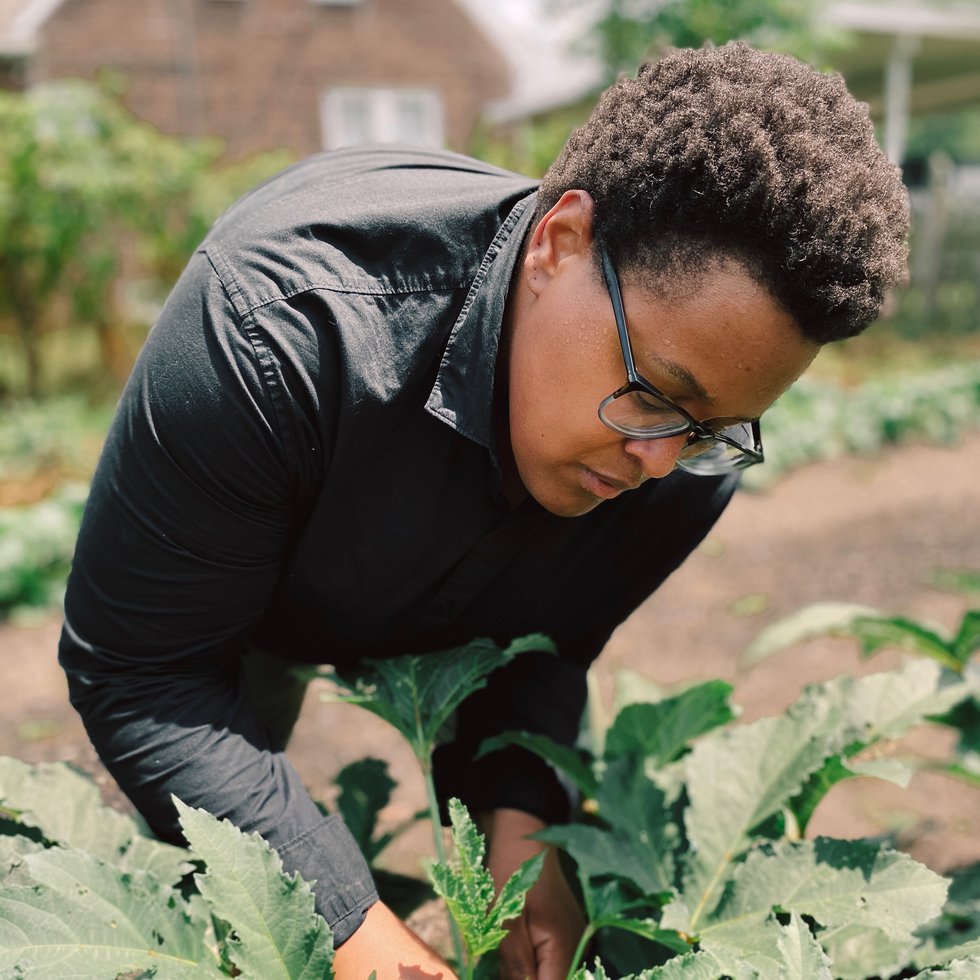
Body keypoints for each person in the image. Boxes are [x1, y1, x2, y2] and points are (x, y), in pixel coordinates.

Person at [60, 41, 909, 979]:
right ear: (559, 244)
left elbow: (550, 642)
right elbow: (146, 675)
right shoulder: (278, 331)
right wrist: (347, 923)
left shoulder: (687, 457)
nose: (659, 460)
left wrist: (523, 817)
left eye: (714, 426)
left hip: (461, 591)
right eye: (656, 391)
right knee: (226, 891)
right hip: (254, 592)